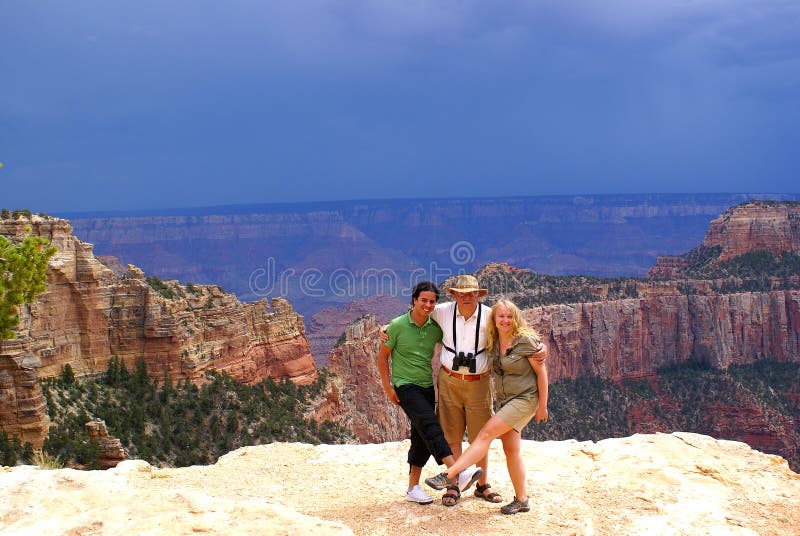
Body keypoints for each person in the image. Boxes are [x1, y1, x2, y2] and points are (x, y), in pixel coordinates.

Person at [424, 299, 548, 515]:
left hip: (524, 399)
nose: (505, 320)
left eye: (510, 317)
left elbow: (542, 373)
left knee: (485, 434)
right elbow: (422, 314)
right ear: (495, 319)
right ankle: (522, 499)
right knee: (512, 451)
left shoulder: (525, 340)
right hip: (504, 400)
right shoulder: (492, 339)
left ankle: (450, 474)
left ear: (516, 318)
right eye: (501, 316)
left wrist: (542, 406)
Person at [377, 281, 482, 506]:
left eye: (432, 301)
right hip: (405, 386)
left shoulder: (435, 327)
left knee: (421, 436)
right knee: (432, 426)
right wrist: (388, 388)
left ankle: (413, 488)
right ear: (414, 300)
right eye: (423, 300)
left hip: (426, 386)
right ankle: (455, 472)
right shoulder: (397, 326)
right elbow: (382, 357)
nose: (427, 304)